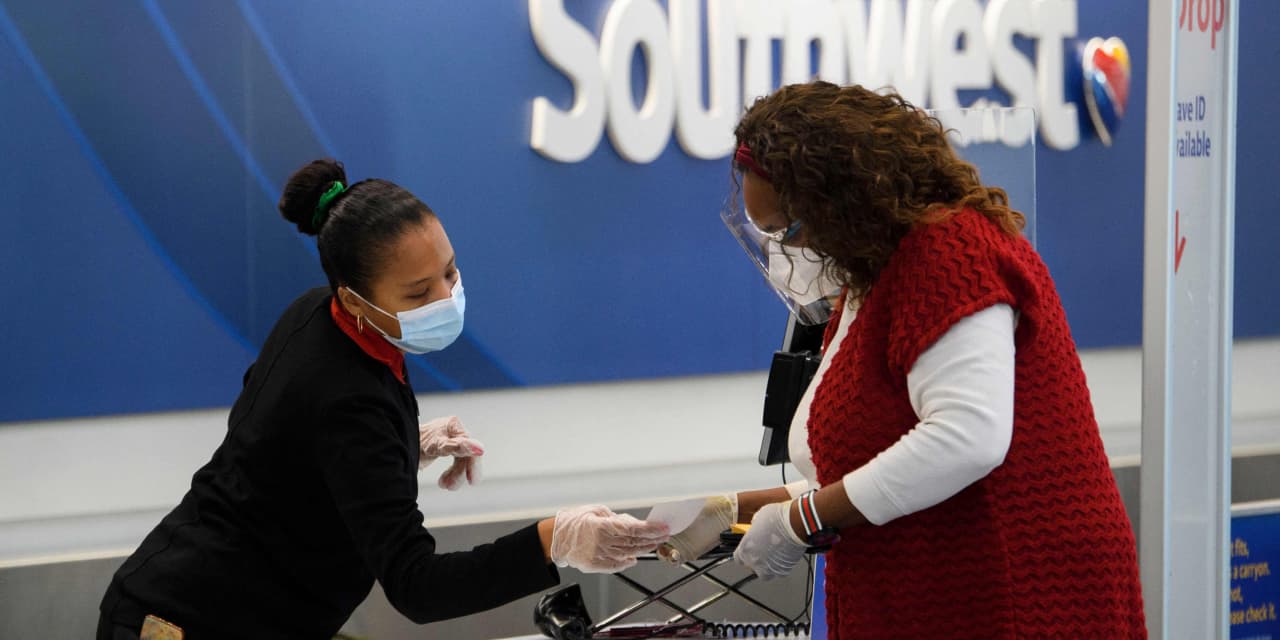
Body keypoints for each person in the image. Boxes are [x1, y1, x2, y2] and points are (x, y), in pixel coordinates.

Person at [97, 159, 670, 639]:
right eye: (418, 293)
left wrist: (398, 447)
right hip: (189, 620)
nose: (444, 298)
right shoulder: (348, 397)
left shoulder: (317, 314)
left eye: (449, 273)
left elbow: (275, 441)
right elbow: (418, 586)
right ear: (354, 299)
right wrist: (553, 540)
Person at [662, 82, 1146, 638]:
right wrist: (734, 509)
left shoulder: (952, 252)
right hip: (942, 596)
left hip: (1019, 597)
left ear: (839, 199)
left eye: (787, 230)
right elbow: (874, 470)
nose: (785, 251)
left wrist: (802, 519)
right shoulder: (872, 279)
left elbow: (966, 438)